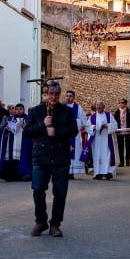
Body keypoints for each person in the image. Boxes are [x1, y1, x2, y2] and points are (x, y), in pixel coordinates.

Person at [24, 81, 79, 237]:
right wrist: (43, 124)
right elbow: (28, 131)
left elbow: (73, 130)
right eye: (51, 94)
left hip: (60, 158)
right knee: (38, 190)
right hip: (41, 158)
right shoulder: (36, 111)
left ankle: (55, 224)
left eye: (56, 94)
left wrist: (57, 131)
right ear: (46, 94)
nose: (54, 97)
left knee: (60, 193)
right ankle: (41, 221)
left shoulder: (66, 111)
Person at [0, 103, 29, 181]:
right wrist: (6, 129)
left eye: (20, 109)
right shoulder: (11, 119)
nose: (18, 111)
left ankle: (22, 175)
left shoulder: (27, 119)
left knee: (22, 158)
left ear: (24, 110)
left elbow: (32, 130)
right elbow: (3, 130)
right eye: (17, 109)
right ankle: (11, 176)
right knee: (11, 160)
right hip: (12, 143)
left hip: (22, 143)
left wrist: (26, 127)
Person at [87, 100, 116, 179]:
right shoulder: (92, 117)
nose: (98, 107)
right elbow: (87, 126)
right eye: (97, 105)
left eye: (100, 105)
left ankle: (107, 172)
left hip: (106, 139)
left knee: (107, 155)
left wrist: (108, 126)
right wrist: (93, 127)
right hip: (96, 140)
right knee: (97, 155)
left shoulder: (109, 115)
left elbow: (115, 125)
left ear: (104, 106)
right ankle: (98, 173)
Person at [63, 90, 88, 180]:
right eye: (67, 95)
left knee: (75, 153)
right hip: (64, 135)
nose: (68, 97)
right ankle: (64, 171)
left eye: (70, 96)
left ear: (74, 98)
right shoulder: (62, 107)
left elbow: (83, 120)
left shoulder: (78, 108)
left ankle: (72, 172)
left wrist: (74, 122)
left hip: (75, 135)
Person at [112, 98, 130, 167]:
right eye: (120, 103)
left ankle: (127, 160)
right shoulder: (117, 112)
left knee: (128, 146)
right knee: (120, 146)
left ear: (125, 104)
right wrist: (115, 128)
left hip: (128, 131)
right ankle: (121, 162)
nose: (121, 104)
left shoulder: (129, 111)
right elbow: (114, 121)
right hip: (120, 131)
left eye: (122, 103)